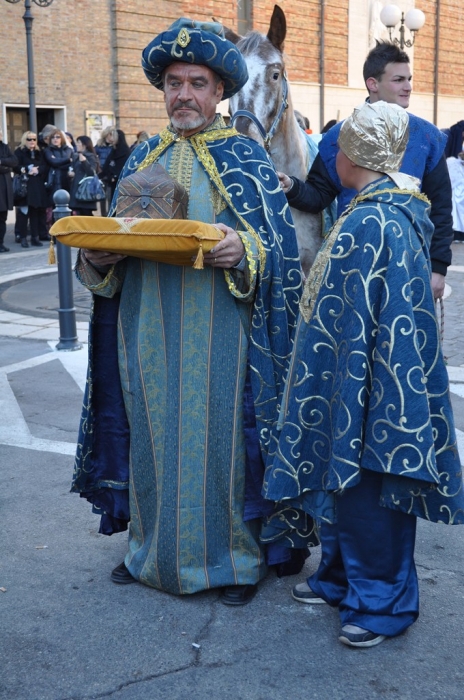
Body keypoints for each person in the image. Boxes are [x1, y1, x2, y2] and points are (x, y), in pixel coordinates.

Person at [71, 17, 303, 604]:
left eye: (197, 82)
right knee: (150, 437)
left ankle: (234, 561)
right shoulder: (141, 155)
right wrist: (97, 256)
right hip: (146, 329)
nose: (184, 95)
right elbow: (113, 252)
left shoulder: (247, 161)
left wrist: (242, 248)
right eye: (174, 82)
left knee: (223, 446)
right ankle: (147, 549)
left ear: (219, 91)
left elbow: (278, 256)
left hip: (223, 332)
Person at [263, 101, 464, 648]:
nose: (331, 154)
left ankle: (384, 603)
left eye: (339, 145)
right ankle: (340, 578)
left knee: (371, 493)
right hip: (345, 380)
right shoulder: (370, 209)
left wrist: (375, 391)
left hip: (374, 385)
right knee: (341, 485)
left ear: (352, 154)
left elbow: (392, 318)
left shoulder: (381, 219)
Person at [278, 42, 454, 301]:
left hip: (410, 263)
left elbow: (440, 207)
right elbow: (319, 195)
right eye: (398, 79)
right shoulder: (339, 136)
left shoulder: (428, 137)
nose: (408, 86)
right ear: (373, 83)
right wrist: (290, 186)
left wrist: (438, 268)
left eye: (409, 79)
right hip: (353, 261)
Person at [13, 131, 49, 248]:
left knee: (36, 211)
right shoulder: (19, 152)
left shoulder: (39, 152)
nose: (32, 141)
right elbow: (15, 166)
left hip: (37, 185)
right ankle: (22, 237)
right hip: (25, 185)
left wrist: (38, 170)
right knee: (24, 213)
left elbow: (45, 166)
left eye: (34, 139)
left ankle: (35, 237)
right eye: (29, 139)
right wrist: (26, 169)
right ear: (25, 140)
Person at [68, 135, 99, 216]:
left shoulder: (90, 156)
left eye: (79, 143)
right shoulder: (76, 156)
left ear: (84, 145)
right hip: (76, 188)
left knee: (86, 214)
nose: (77, 145)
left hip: (86, 190)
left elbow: (92, 172)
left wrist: (84, 162)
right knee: (77, 214)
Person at [99, 127, 130, 200]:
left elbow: (122, 167)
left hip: (119, 183)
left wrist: (115, 176)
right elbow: (107, 166)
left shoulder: (124, 151)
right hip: (112, 183)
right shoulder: (114, 150)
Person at [0, 126, 18, 252]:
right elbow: (8, 166)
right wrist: (5, 168)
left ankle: (1, 243)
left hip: (5, 188)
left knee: (2, 217)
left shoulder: (5, 147)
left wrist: (1, 161)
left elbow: (14, 161)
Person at [446, 152, 464, 242]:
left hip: (460, 189)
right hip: (456, 190)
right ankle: (457, 234)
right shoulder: (453, 163)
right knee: (456, 214)